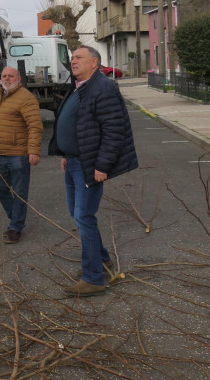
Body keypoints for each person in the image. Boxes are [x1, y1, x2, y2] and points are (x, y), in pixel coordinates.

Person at [48, 45, 139, 297]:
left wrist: (102, 165)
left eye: (79, 58)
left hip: (89, 165)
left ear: (94, 63)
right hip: (74, 161)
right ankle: (103, 260)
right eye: (73, 58)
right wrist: (66, 153)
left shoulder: (103, 88)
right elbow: (79, 123)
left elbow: (114, 130)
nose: (73, 61)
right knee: (77, 213)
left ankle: (93, 278)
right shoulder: (81, 85)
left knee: (84, 217)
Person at [0, 66, 43, 244]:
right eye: (4, 76)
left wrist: (33, 151)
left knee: (19, 192)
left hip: (18, 154)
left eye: (11, 76)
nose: (7, 79)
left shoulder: (26, 98)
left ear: (19, 79)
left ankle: (15, 227)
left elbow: (35, 126)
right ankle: (16, 217)